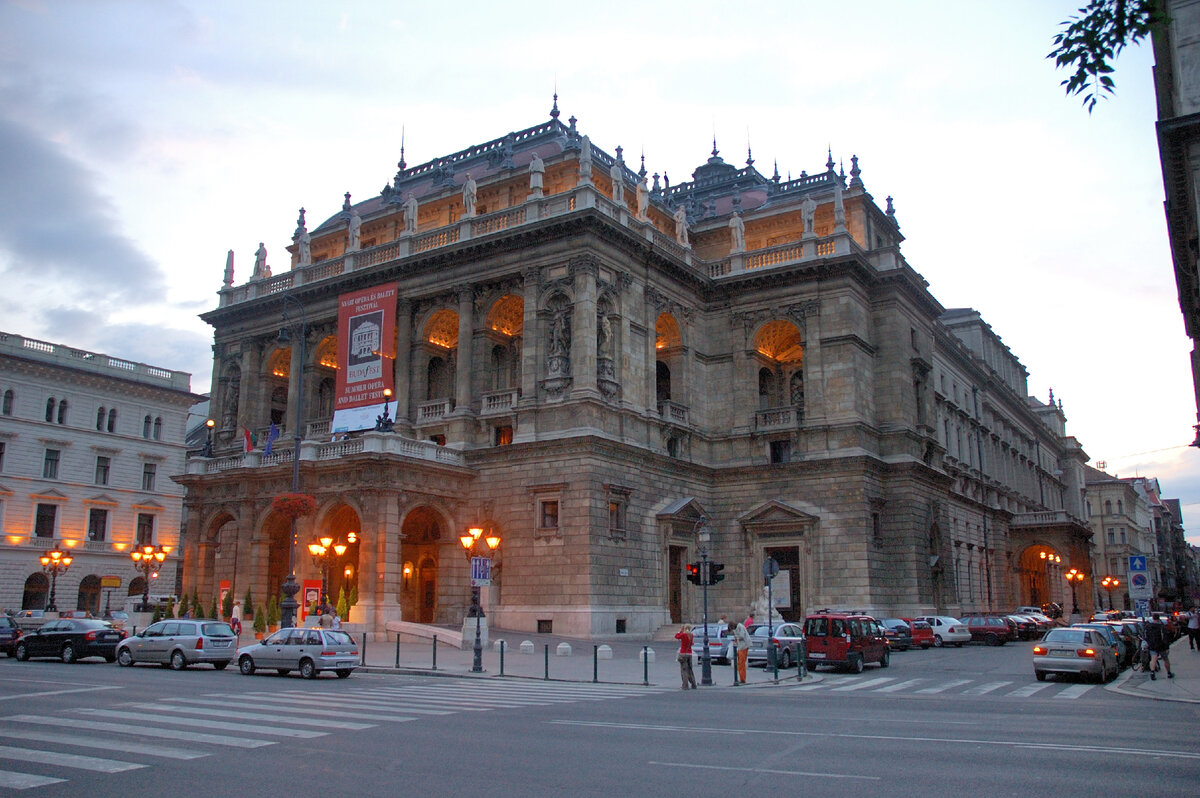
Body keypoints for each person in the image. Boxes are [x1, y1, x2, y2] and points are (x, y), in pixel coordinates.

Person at [1146, 614, 1174, 679]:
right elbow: (1165, 637)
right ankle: (1169, 673)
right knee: (1165, 659)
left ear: (1153, 618)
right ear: (1159, 618)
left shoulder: (1149, 626)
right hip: (1162, 646)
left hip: (1152, 646)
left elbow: (1146, 636)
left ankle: (1152, 672)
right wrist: (1167, 647)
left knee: (1153, 659)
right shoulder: (1161, 626)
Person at [674, 624, 697, 689]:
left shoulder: (683, 635)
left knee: (684, 670)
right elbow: (692, 643)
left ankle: (685, 685)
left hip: (683, 653)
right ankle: (693, 684)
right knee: (690, 670)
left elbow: (676, 636)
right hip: (689, 653)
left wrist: (680, 631)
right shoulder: (691, 635)